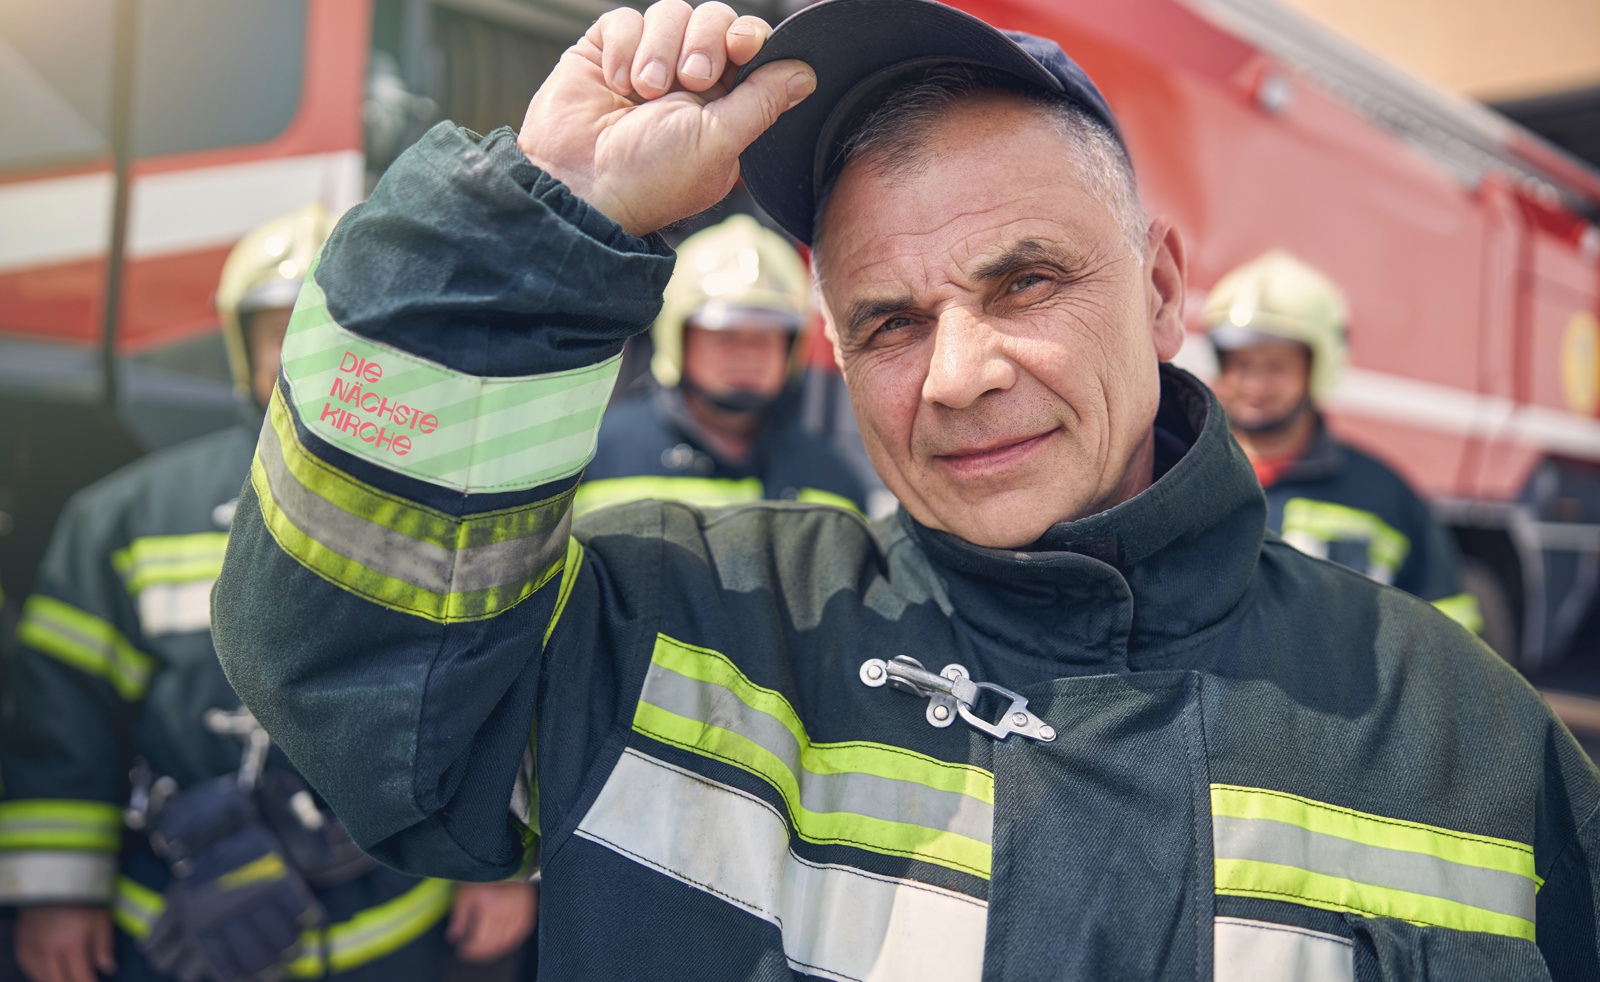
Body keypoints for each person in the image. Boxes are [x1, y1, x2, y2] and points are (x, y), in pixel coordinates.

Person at [211, 1, 1600, 978]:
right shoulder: (686, 632)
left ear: (1166, 289)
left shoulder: (1466, 738)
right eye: (888, 321)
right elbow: (359, 681)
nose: (955, 373)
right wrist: (535, 227)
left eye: (1026, 281)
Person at [0, 207, 536, 982]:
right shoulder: (124, 519)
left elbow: (508, 692)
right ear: (238, 347)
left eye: (345, 331)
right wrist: (58, 892)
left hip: (399, 938)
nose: (311, 357)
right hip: (181, 931)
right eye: (284, 330)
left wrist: (509, 867)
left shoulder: (467, 510)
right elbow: (63, 715)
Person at [1203, 250, 1482, 632]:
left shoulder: (1385, 496)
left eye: (1276, 366)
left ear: (1319, 370)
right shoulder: (1183, 477)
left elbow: (1451, 631)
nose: (1253, 384)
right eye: (1241, 364)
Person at [576, 213, 866, 515]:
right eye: (725, 335)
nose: (748, 354)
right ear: (679, 338)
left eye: (766, 336)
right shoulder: (597, 458)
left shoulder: (833, 480)